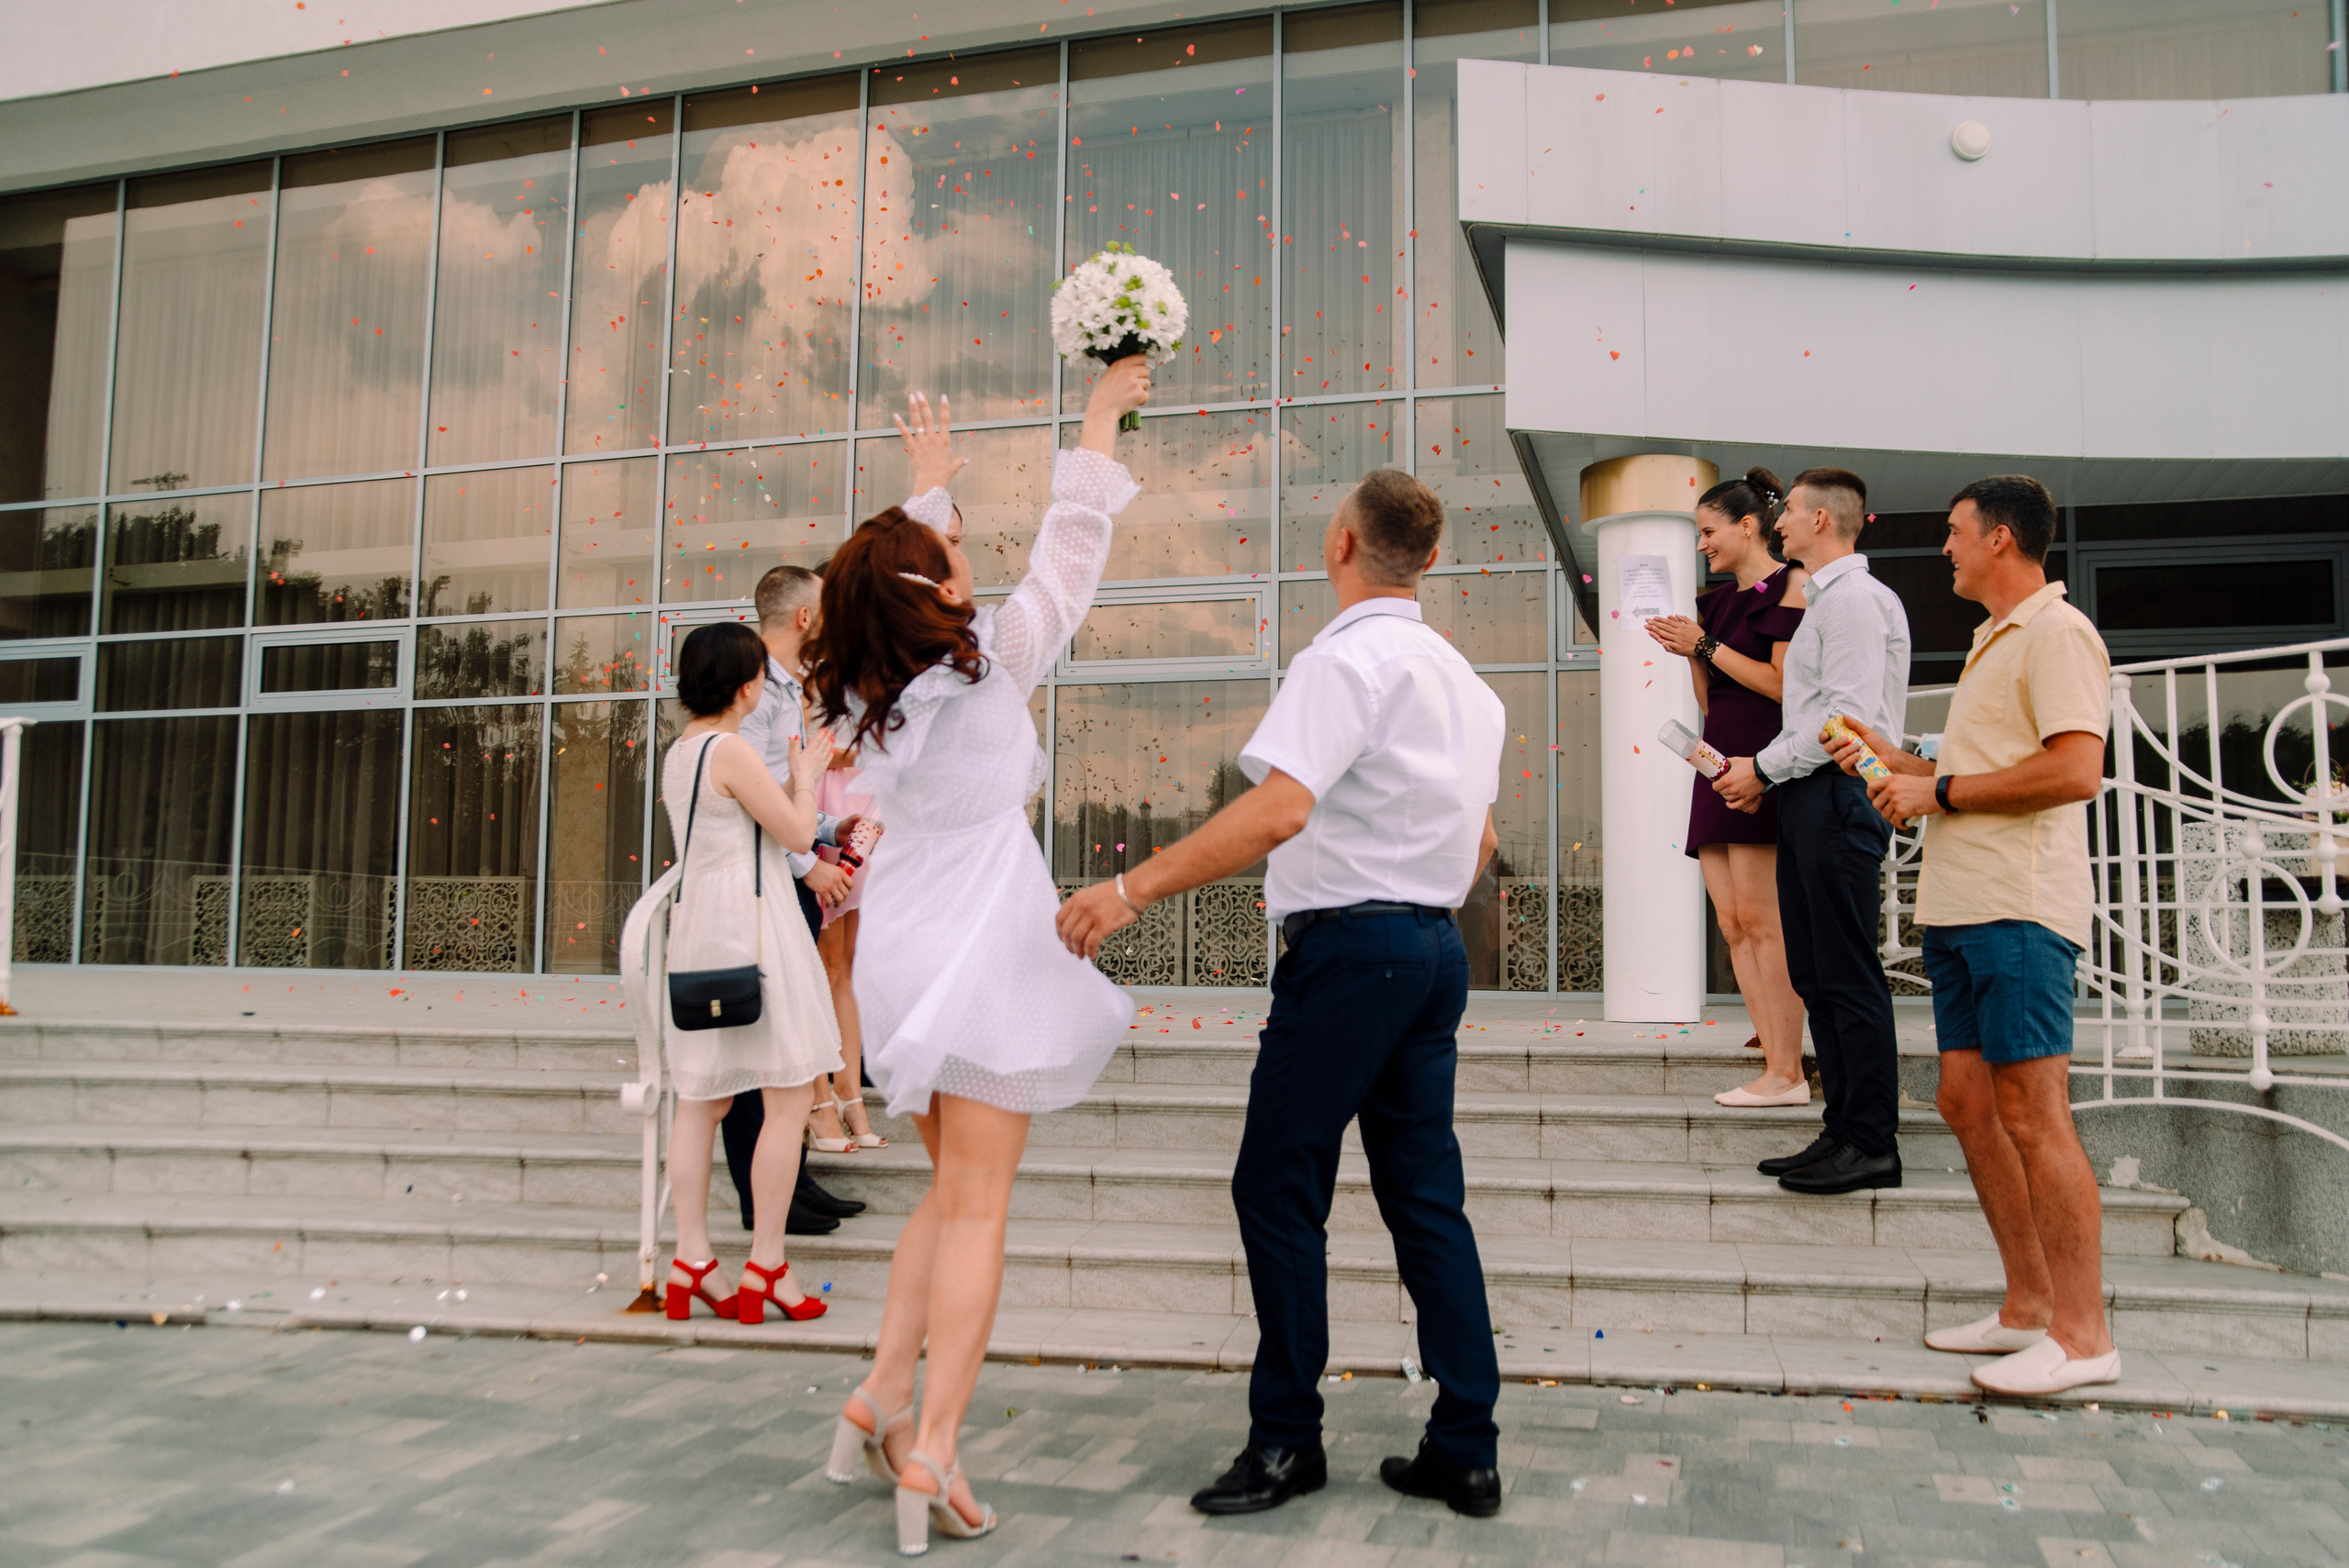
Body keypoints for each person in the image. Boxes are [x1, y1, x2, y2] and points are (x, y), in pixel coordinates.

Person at [1060, 469, 1508, 1521]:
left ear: (1340, 542)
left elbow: (1278, 811)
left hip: (1351, 952)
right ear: (1429, 558)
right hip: (1430, 950)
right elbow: (1481, 840)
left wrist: (1128, 888)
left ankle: (1286, 1439)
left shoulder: (1341, 660)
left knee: (1276, 1185)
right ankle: (1465, 1443)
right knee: (1423, 1197)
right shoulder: (1466, 682)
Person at [807, 367, 1150, 1556]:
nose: (966, 564)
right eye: (948, 555)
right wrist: (1100, 419)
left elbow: (903, 582)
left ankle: (877, 1397)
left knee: (947, 1196)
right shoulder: (992, 659)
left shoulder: (868, 695)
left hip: (905, 942)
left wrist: (930, 491)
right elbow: (1071, 548)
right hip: (983, 945)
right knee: (980, 1209)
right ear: (937, 592)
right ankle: (935, 1442)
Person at [1825, 476, 2117, 1396]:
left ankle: (2084, 1335)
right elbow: (1974, 773)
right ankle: (2027, 1305)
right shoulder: (1995, 639)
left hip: (2019, 908)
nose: (1942, 549)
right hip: (1958, 904)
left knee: (2033, 1109)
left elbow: (2076, 768)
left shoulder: (2057, 633)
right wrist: (1898, 764)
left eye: (1953, 534)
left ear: (1998, 538)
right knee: (1964, 1100)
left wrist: (1939, 790)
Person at [1714, 467, 1911, 1195]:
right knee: (1817, 974)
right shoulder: (1828, 601)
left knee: (1847, 973)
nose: (1780, 522)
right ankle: (1842, 1128)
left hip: (1836, 795)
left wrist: (1759, 767)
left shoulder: (1854, 602)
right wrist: (1770, 772)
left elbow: (1843, 723)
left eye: (1790, 511)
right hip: (1807, 795)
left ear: (1822, 520)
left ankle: (1870, 1140)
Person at [655, 620, 841, 1326]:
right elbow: (795, 834)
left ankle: (692, 1257)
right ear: (746, 683)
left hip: (701, 927)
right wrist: (805, 780)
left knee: (701, 1097)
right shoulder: (731, 749)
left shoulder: (682, 751)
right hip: (753, 926)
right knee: (788, 1096)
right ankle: (767, 1261)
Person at [714, 563, 878, 1238]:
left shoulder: (784, 688)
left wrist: (829, 832)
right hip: (763, 884)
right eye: (827, 611)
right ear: (806, 619)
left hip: (789, 873)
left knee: (787, 1040)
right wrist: (809, 863)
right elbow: (748, 801)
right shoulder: (748, 690)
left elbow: (788, 790)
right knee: (762, 1049)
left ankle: (794, 1184)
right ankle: (765, 1202)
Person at [1645, 467, 1811, 1107]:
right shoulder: (1710, 604)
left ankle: (1789, 1069)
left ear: (1749, 525)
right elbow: (1713, 698)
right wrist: (1691, 652)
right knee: (1734, 921)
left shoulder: (1791, 586)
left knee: (1767, 922)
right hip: (1714, 763)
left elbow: (1781, 686)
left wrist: (1705, 644)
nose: (1701, 544)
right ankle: (1772, 1058)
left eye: (1708, 531)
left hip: (1766, 761)